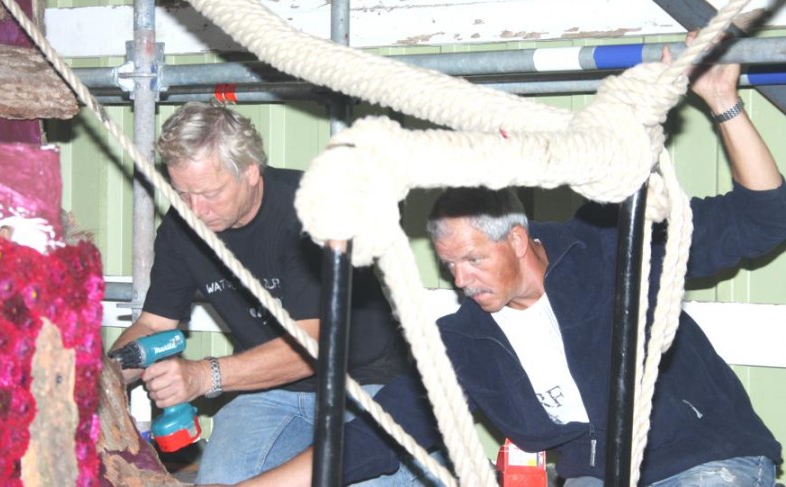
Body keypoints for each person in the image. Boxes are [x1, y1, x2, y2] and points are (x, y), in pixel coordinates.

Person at [225, 51, 786, 486]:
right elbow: (375, 436)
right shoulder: (466, 340)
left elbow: (764, 218)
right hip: (596, 474)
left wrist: (723, 103)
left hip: (704, 458)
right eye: (449, 266)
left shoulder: (608, 248)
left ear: (518, 240)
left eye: (474, 259)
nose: (461, 280)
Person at [110, 102, 422, 485]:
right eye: (182, 194)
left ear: (251, 171)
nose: (195, 210)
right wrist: (100, 379)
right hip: (269, 392)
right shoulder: (180, 229)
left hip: (364, 384)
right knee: (221, 479)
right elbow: (153, 325)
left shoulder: (310, 211)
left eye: (210, 193)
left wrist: (204, 376)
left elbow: (315, 346)